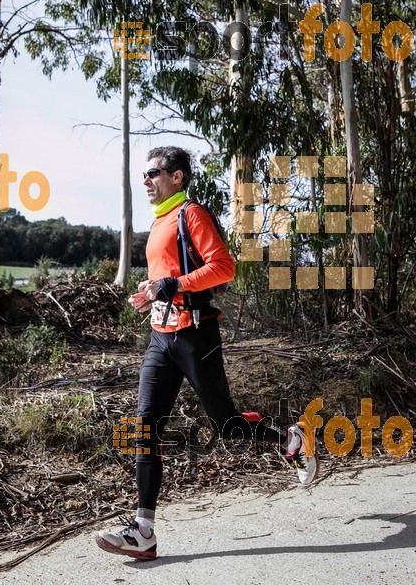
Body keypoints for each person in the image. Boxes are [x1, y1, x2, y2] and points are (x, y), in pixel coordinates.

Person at [96, 146, 319, 561]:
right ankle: (143, 530)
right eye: (144, 175)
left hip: (196, 335)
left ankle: (290, 437)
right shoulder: (161, 219)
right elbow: (169, 279)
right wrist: (152, 293)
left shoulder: (191, 215)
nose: (146, 181)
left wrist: (173, 286)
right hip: (160, 338)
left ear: (177, 176)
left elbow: (223, 267)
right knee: (146, 426)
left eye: (153, 173)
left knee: (228, 427)